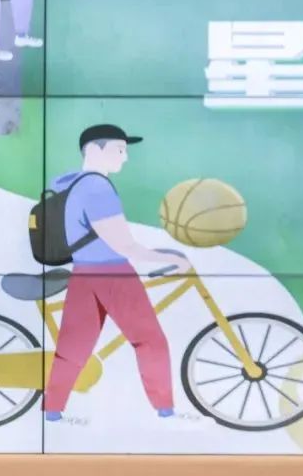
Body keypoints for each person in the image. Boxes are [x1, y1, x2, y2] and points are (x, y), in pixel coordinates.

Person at [43, 124, 191, 423]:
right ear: (93, 149)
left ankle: (53, 410)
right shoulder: (97, 188)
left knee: (73, 347)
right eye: (119, 149)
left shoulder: (72, 184)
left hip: (83, 274)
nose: (125, 157)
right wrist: (169, 259)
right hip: (113, 275)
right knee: (150, 341)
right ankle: (165, 409)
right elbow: (123, 245)